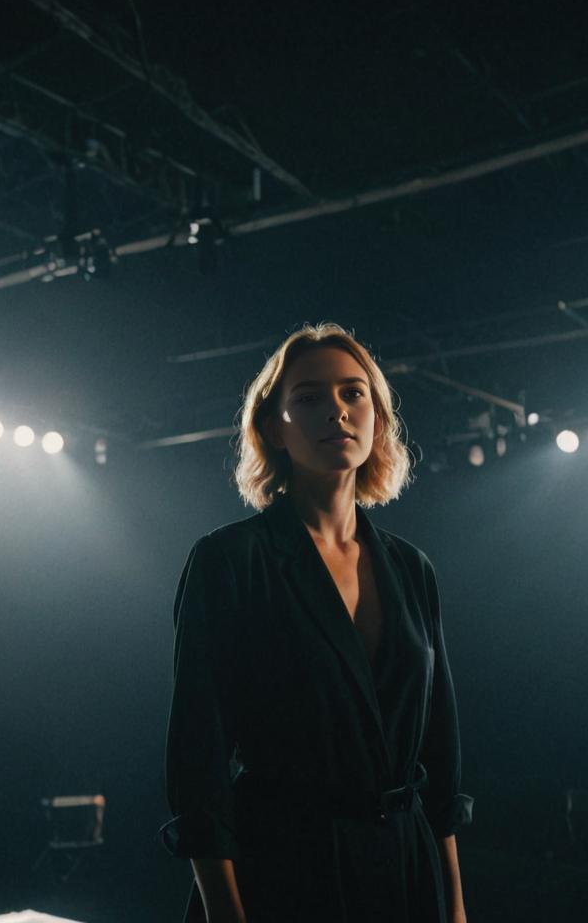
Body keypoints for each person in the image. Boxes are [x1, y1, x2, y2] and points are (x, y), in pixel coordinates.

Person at [161, 323, 473, 923]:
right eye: (308, 397)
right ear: (274, 425)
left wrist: (454, 906)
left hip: (404, 874)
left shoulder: (412, 569)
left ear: (377, 416)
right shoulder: (230, 561)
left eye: (353, 393)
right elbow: (197, 763)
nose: (337, 410)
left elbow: (441, 756)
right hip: (283, 871)